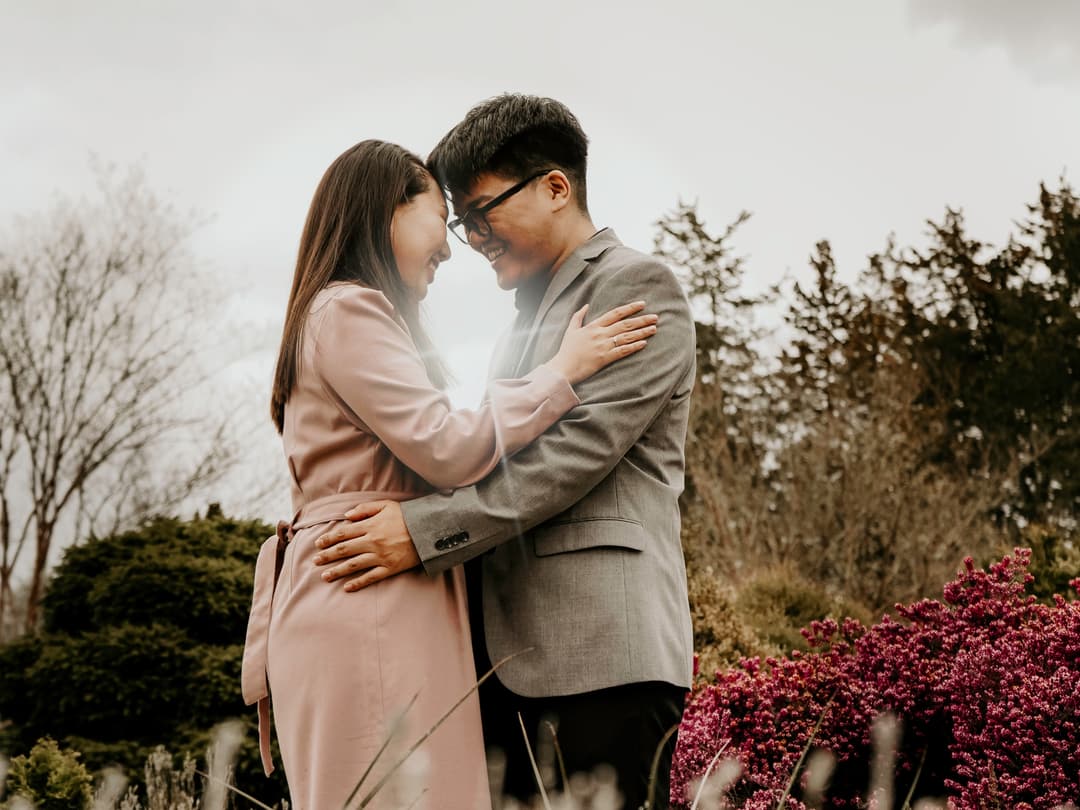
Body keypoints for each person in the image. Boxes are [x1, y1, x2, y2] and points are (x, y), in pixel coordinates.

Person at [240, 139, 659, 810]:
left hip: (364, 588)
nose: (450, 245)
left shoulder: (329, 313)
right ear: (386, 211)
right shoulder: (350, 309)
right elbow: (447, 446)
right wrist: (560, 372)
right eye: (442, 216)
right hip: (373, 592)